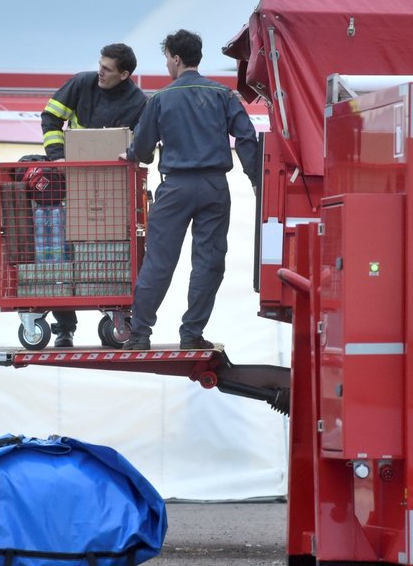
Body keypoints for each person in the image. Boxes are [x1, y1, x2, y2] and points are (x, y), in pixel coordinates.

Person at [120, 29, 258, 351]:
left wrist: (132, 156)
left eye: (167, 58)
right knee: (209, 262)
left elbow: (142, 147)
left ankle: (139, 334)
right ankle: (191, 333)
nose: (167, 64)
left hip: (176, 189)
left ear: (177, 58)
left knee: (159, 261)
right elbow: (247, 137)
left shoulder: (161, 99)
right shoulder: (222, 95)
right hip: (214, 188)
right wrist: (254, 177)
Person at [40, 43, 147, 347]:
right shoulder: (81, 84)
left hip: (113, 190)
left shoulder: (139, 102)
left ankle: (114, 316)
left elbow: (144, 143)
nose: (100, 71)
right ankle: (64, 329)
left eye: (108, 68)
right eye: (100, 64)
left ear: (125, 74)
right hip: (71, 181)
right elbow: (50, 118)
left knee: (112, 255)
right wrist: (57, 157)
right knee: (65, 252)